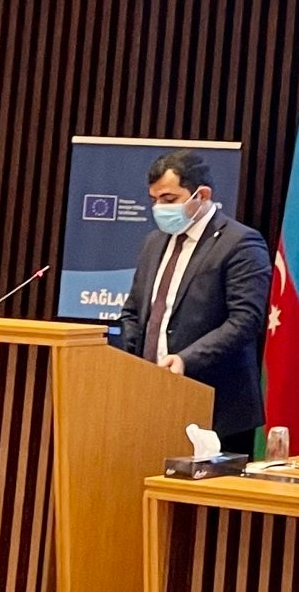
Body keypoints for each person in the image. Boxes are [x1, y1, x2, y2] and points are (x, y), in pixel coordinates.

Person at [115, 149, 270, 455]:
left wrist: (186, 359)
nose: (159, 208)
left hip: (216, 405)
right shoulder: (153, 242)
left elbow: (245, 321)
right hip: (150, 398)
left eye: (169, 199)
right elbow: (134, 312)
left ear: (202, 195)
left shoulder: (240, 243)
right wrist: (128, 360)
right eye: (154, 200)